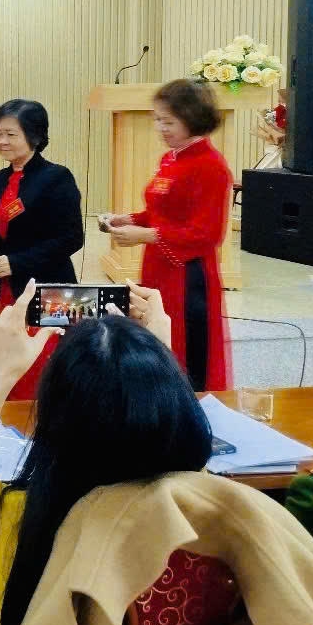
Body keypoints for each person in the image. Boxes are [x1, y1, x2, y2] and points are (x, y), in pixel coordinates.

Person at [0, 280, 313, 625]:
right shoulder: (205, 508)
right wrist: (158, 354)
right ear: (175, 404)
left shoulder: (9, 520)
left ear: (56, 424)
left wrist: (1, 372)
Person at [100, 79, 232, 391]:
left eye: (168, 122)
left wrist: (145, 235)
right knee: (154, 334)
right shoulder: (171, 159)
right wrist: (127, 219)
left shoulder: (211, 166)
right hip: (159, 263)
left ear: (192, 119)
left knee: (184, 345)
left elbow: (207, 234)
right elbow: (161, 212)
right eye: (157, 120)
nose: (160, 128)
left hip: (187, 273)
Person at [0, 99, 83, 398]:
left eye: (11, 134)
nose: (2, 141)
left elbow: (71, 238)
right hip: (11, 289)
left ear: (35, 136)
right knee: (14, 363)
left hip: (51, 291)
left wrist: (17, 261)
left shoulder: (57, 178)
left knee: (47, 369)